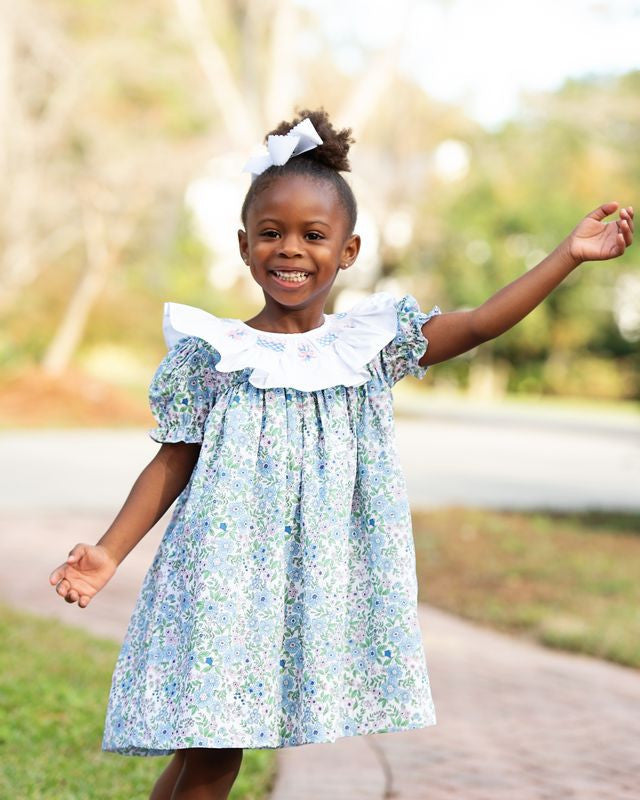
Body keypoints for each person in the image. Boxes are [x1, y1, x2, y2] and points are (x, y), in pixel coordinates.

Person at [48, 107, 634, 800]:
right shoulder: (218, 354)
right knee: (211, 753)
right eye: (271, 233)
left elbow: (478, 323)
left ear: (348, 251)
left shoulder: (367, 347)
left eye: (312, 235)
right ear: (243, 245)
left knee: (207, 753)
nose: (290, 249)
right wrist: (110, 553)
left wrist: (567, 256)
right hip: (219, 581)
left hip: (303, 588)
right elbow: (173, 460)